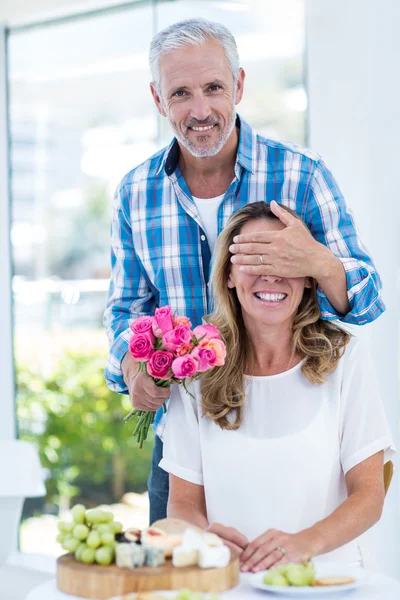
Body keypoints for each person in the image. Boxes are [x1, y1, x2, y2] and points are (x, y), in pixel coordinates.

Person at [103, 18, 385, 525]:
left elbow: (366, 300)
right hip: (186, 444)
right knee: (186, 577)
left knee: (291, 569)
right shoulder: (135, 193)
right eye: (181, 93)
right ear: (157, 97)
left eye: (213, 87)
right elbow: (126, 309)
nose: (201, 110)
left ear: (238, 84)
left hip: (290, 431)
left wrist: (316, 262)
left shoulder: (302, 175)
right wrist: (131, 366)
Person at [160, 201, 395, 571]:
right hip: (234, 584)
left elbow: (369, 496)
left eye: (285, 261)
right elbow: (182, 503)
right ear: (228, 276)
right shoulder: (193, 371)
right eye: (254, 259)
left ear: (307, 277)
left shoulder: (345, 359)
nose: (270, 275)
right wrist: (207, 539)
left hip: (330, 583)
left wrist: (304, 544)